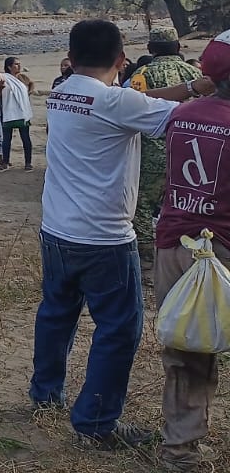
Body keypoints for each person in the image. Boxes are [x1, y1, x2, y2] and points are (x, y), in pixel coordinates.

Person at [30, 19, 213, 449]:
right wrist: (205, 92)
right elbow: (182, 118)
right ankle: (95, 422)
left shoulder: (63, 91)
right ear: (121, 59)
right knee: (119, 329)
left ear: (70, 58)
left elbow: (139, 101)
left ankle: (45, 393)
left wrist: (190, 88)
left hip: (57, 229)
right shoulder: (114, 101)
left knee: (56, 314)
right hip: (104, 237)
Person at [153, 30, 230, 471]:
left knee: (187, 352)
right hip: (221, 251)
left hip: (174, 245)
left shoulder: (183, 114)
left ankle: (179, 451)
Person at [129, 28, 202, 252]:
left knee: (142, 204)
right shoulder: (194, 73)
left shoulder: (141, 74)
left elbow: (133, 108)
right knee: (188, 202)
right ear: (178, 47)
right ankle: (188, 250)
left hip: (152, 154)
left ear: (150, 49)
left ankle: (147, 253)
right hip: (192, 153)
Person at [0, 57, 34, 172]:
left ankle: (28, 163)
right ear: (9, 67)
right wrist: (0, 88)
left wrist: (28, 93)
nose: (19, 66)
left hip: (22, 112)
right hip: (8, 111)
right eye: (16, 64)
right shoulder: (3, 77)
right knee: (6, 139)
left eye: (19, 64)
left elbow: (31, 84)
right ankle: (5, 162)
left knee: (25, 138)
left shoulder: (22, 77)